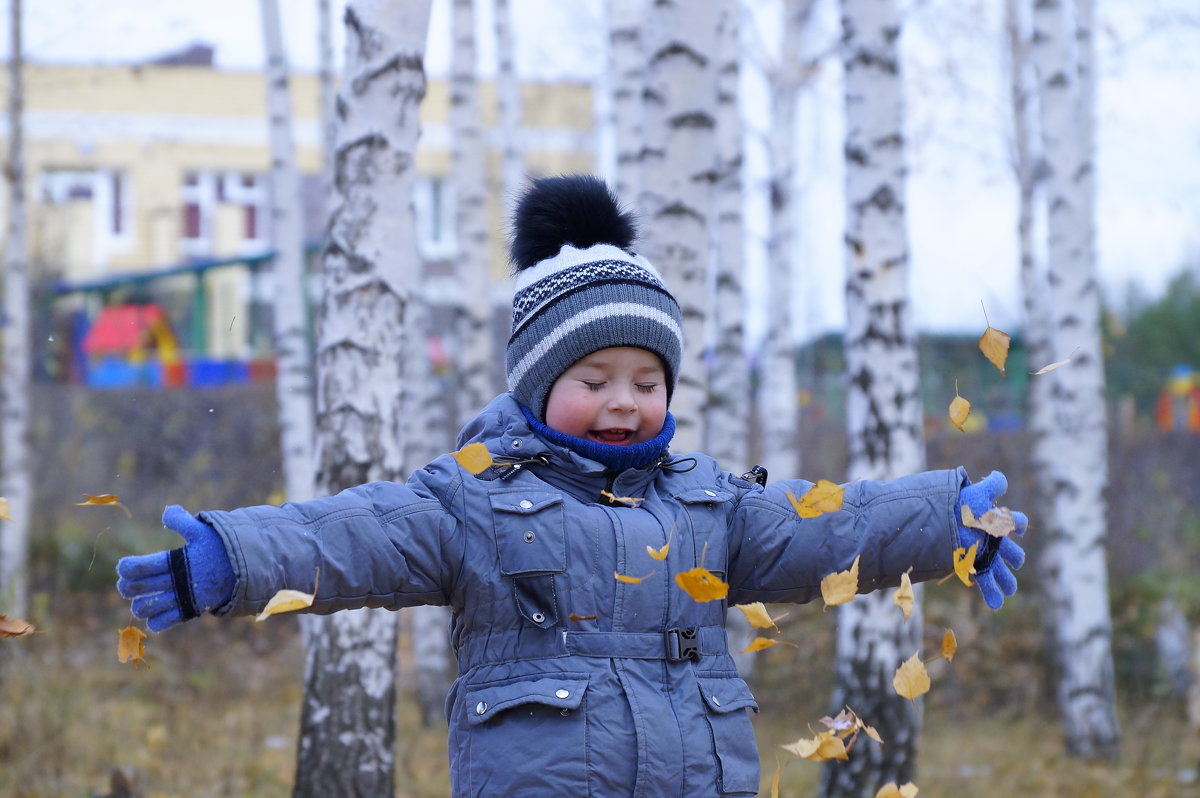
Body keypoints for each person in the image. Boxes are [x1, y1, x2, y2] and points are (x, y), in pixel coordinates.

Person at [117, 174, 1028, 797]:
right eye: (594, 382)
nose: (624, 404)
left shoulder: (709, 501)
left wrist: (945, 518)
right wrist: (228, 558)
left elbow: (825, 530)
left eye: (647, 380)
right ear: (539, 384)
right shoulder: (472, 497)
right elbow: (354, 536)